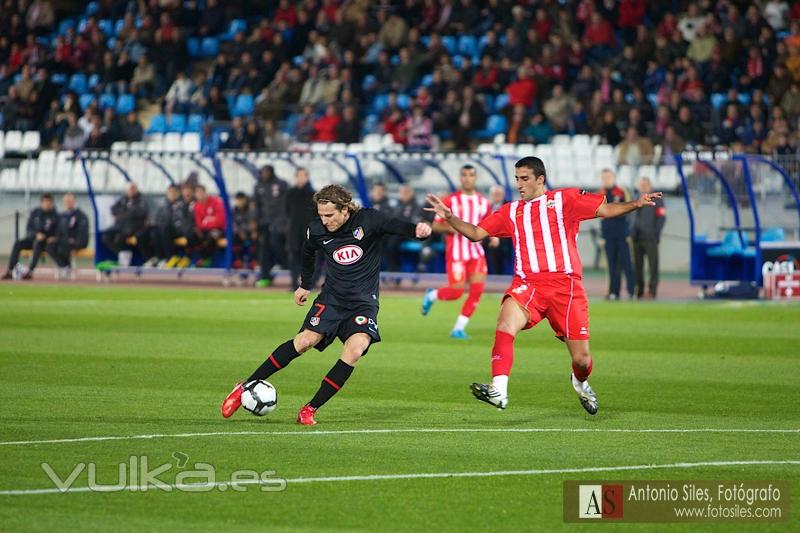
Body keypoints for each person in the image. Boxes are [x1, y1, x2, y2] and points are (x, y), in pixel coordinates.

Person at [425, 157, 661, 414]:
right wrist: (449, 216)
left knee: (582, 360)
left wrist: (636, 204)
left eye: (524, 178)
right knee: (505, 324)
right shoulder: (511, 211)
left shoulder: (565, 199)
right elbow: (476, 233)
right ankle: (499, 389)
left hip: (566, 287)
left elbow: (605, 210)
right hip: (528, 285)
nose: (519, 184)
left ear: (540, 179)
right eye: (517, 178)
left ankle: (580, 382)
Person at [221, 185, 432, 425]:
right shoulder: (317, 229)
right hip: (332, 299)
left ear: (345, 210)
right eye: (321, 215)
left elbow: (397, 225)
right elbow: (308, 253)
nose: (325, 220)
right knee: (304, 342)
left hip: (363, 303)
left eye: (330, 215)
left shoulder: (369, 220)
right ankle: (243, 388)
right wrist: (305, 285)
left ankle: (309, 409)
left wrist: (418, 230)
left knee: (355, 349)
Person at [421, 165, 497, 339]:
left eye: (471, 175)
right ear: (460, 178)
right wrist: (453, 227)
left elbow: (490, 224)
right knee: (456, 292)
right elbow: (436, 225)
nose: (467, 178)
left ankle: (458, 328)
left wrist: (494, 236)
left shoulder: (483, 203)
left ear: (475, 178)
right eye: (464, 175)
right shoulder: (450, 201)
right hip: (456, 253)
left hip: (476, 253)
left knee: (477, 291)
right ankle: (432, 295)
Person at [2, 193, 59, 280]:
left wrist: (48, 237)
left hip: (45, 243)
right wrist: (36, 234)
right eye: (45, 201)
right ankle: (10, 270)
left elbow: (58, 231)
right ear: (41, 202)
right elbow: (29, 229)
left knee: (38, 243)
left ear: (52, 203)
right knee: (18, 243)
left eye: (49, 202)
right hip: (33, 239)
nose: (47, 204)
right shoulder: (35, 213)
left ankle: (30, 271)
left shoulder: (55, 215)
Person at [599, 169, 635, 300]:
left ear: (614, 177)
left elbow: (630, 209)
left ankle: (632, 291)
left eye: (608, 177)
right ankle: (614, 292)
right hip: (608, 235)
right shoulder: (600, 193)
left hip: (622, 233)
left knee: (627, 263)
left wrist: (628, 231)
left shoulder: (621, 191)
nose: (606, 180)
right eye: (604, 177)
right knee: (611, 266)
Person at [632, 177, 666, 299]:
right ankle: (639, 290)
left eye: (646, 184)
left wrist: (656, 234)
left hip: (650, 237)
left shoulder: (657, 199)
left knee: (653, 266)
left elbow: (661, 217)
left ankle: (652, 291)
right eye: (642, 184)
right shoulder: (635, 197)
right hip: (636, 237)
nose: (643, 186)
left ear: (650, 185)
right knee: (637, 266)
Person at [253, 165, 288, 287]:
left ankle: (286, 265)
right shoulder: (258, 186)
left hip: (281, 224)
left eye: (267, 172)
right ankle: (265, 276)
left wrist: (285, 222)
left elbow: (287, 204)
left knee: (278, 245)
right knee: (263, 250)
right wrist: (256, 224)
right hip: (265, 224)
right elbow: (257, 207)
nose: (264, 174)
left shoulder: (282, 184)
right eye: (263, 172)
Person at [284, 168, 316, 289]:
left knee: (309, 256)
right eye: (299, 175)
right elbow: (286, 211)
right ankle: (294, 283)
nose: (301, 178)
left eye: (304, 175)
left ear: (307, 177)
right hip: (293, 230)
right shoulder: (290, 192)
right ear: (295, 177)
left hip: (308, 230)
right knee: (293, 256)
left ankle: (308, 284)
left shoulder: (312, 193)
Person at [101, 183, 149, 259]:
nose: (131, 191)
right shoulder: (123, 199)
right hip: (120, 226)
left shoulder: (142, 200)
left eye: (133, 189)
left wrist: (125, 212)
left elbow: (139, 213)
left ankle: (126, 256)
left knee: (120, 238)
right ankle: (120, 253)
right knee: (106, 236)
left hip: (134, 228)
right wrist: (125, 212)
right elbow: (113, 209)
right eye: (130, 189)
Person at [49, 193, 89, 271]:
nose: (68, 203)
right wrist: (55, 238)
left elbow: (83, 232)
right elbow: (58, 231)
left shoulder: (81, 215)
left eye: (70, 201)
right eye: (66, 201)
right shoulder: (62, 215)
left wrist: (76, 241)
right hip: (63, 241)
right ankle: (64, 266)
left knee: (63, 246)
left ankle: (67, 267)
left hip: (77, 242)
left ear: (74, 201)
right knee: (49, 245)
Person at [193, 184, 227, 266]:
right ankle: (193, 258)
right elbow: (199, 223)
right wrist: (209, 220)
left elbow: (220, 220)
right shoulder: (196, 206)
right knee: (194, 235)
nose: (200, 194)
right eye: (197, 193)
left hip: (219, 229)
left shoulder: (216, 202)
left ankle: (205, 259)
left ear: (205, 193)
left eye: (201, 192)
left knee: (212, 236)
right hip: (206, 230)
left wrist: (206, 221)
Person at [231, 192, 254, 269]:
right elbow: (232, 223)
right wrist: (239, 231)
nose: (239, 202)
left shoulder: (250, 210)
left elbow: (252, 222)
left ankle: (253, 260)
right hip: (239, 233)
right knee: (234, 238)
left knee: (254, 238)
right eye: (238, 200)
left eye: (241, 200)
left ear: (245, 200)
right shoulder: (234, 210)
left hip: (249, 232)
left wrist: (245, 231)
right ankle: (238, 260)